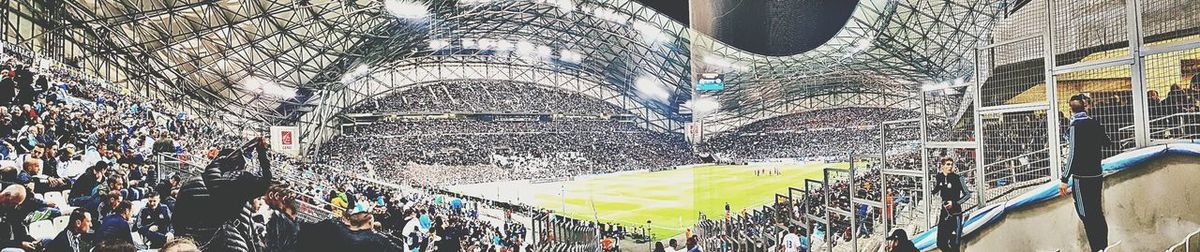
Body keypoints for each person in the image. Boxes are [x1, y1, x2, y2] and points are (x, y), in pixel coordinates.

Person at [1059, 93, 1111, 252]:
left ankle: (1096, 248)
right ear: (1085, 106)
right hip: (1096, 174)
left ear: (1070, 109)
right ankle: (1104, 247)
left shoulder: (1074, 127)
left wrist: (1064, 178)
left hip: (1081, 179)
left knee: (1085, 215)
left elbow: (1072, 154)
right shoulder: (1094, 123)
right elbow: (1106, 142)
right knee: (1097, 213)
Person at [931, 157, 971, 252]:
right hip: (944, 214)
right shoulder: (939, 177)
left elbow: (968, 194)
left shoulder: (958, 178)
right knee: (940, 243)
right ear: (942, 166)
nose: (950, 166)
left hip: (955, 214)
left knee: (954, 244)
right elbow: (937, 188)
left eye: (951, 164)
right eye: (948, 164)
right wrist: (930, 191)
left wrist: (955, 203)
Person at [0, 185, 37, 250]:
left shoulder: (10, 207)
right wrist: (19, 244)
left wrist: (31, 241)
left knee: (46, 241)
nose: (14, 206)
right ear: (7, 195)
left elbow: (18, 227)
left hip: (7, 244)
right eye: (13, 203)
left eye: (17, 204)